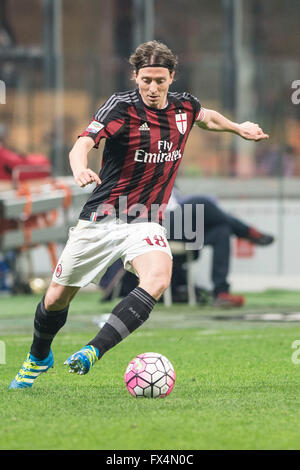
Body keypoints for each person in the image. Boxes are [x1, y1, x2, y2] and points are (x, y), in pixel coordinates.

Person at [9, 40, 269, 389]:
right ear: (135, 76)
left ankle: (92, 351)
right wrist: (79, 168)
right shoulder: (120, 107)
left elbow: (206, 118)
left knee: (158, 277)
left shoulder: (184, 107)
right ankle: (39, 356)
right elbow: (82, 143)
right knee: (56, 297)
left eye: (160, 80)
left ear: (172, 77)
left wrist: (239, 128)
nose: (152, 87)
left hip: (144, 220)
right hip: (102, 217)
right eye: (146, 79)